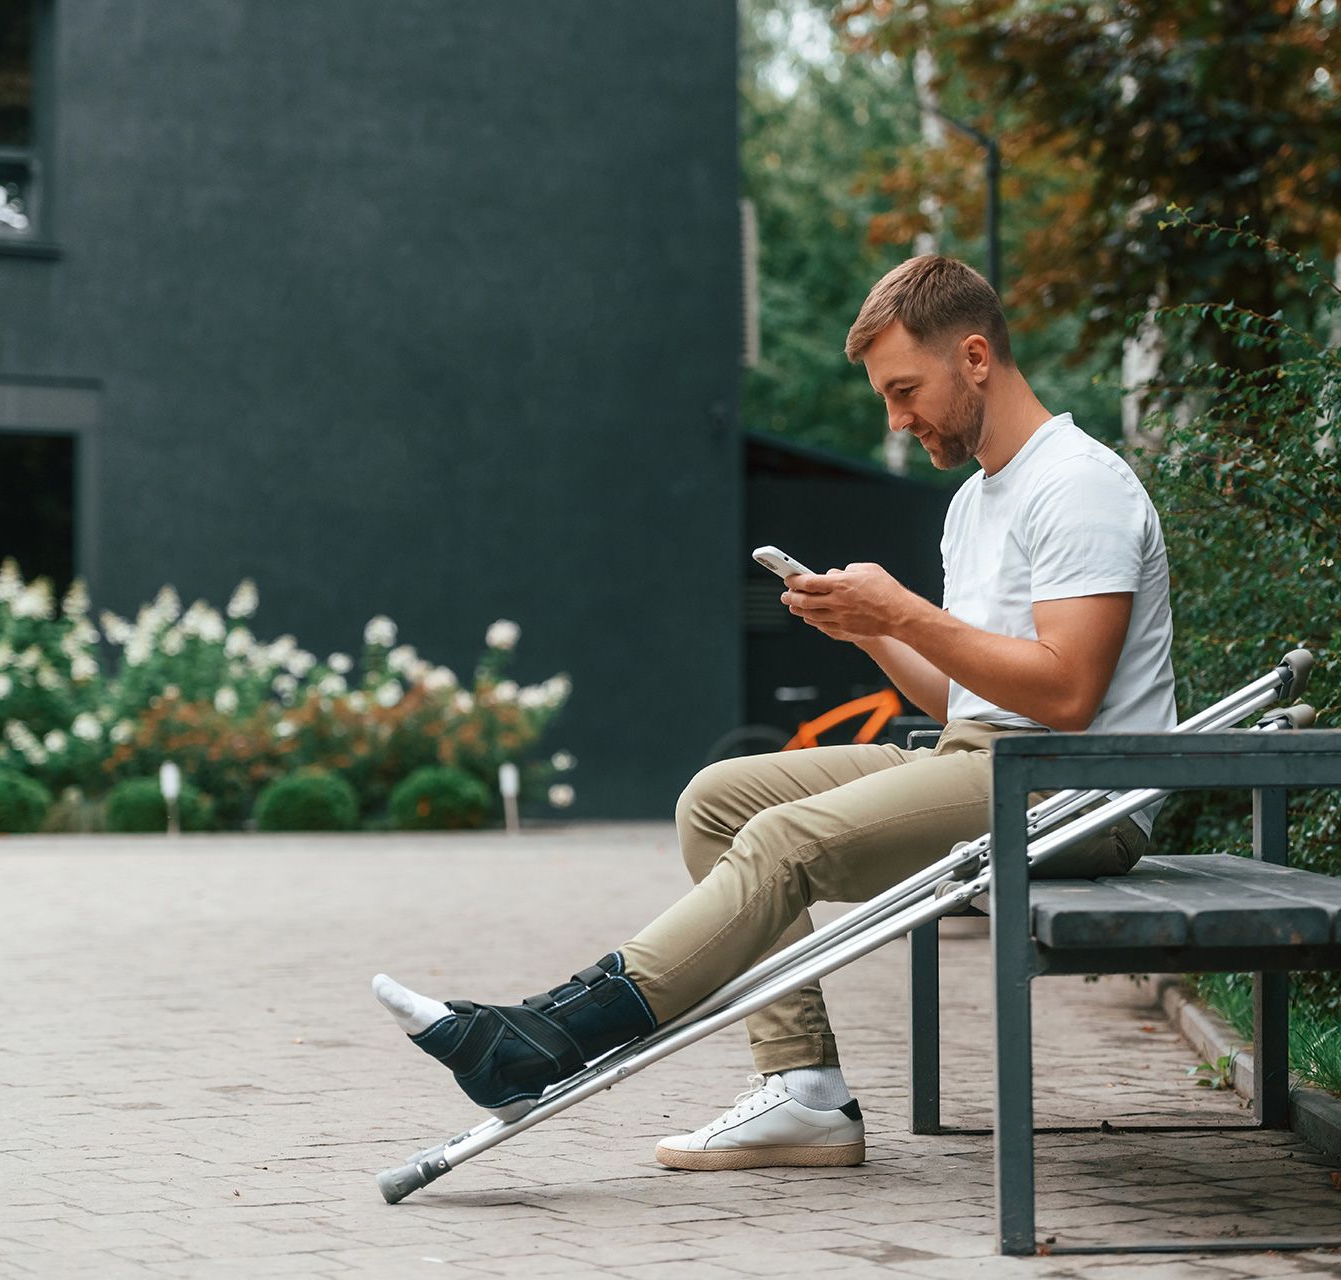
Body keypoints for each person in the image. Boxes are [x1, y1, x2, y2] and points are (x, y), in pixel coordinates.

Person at [373, 254, 1177, 1171]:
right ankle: (804, 1090)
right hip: (985, 759)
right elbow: (960, 697)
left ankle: (545, 1037)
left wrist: (904, 610)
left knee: (786, 840)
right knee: (720, 799)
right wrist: (868, 631)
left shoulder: (1076, 483)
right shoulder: (974, 505)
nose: (896, 418)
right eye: (885, 396)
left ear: (978, 356)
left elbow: (1069, 694)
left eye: (906, 390)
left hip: (1074, 794)